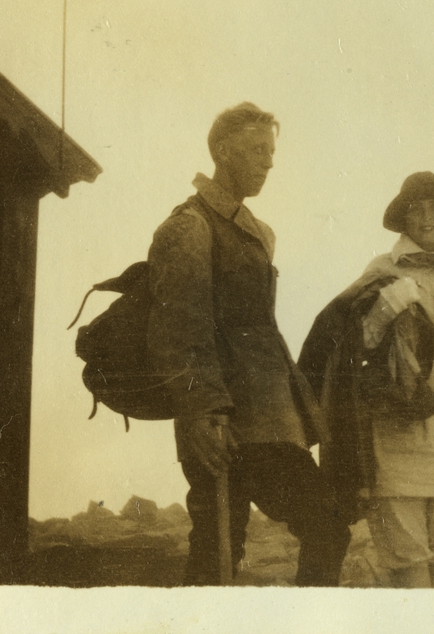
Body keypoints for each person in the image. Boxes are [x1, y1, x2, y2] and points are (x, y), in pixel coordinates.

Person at [145, 102, 350, 586]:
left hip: (268, 417)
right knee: (220, 548)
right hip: (221, 423)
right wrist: (201, 412)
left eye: (271, 151)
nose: (269, 162)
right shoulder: (188, 226)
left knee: (322, 527)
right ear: (221, 150)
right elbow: (179, 327)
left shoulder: (258, 233)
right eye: (258, 150)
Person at [322, 171, 434, 589]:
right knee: (408, 561)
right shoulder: (381, 269)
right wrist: (381, 312)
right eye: (417, 208)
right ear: (403, 219)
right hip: (397, 428)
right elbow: (350, 347)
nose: (427, 217)